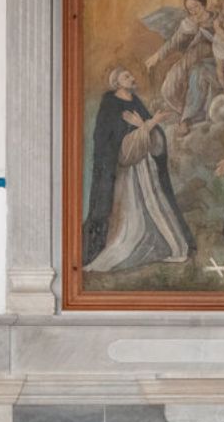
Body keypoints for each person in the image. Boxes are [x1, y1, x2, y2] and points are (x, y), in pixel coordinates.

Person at [79, 68, 194, 277]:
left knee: (152, 202)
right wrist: (149, 124)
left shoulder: (135, 101)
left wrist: (146, 125)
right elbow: (113, 141)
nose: (132, 78)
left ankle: (163, 241)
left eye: (131, 75)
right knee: (129, 212)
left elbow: (150, 135)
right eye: (126, 76)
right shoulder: (111, 104)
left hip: (144, 166)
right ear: (116, 82)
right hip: (125, 170)